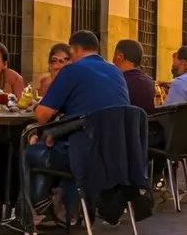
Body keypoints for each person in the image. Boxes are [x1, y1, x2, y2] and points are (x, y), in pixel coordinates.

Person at [27, 31, 131, 207]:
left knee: (30, 151)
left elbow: (42, 116)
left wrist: (37, 106)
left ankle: (32, 210)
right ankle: (67, 208)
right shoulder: (116, 71)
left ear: (74, 50)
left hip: (84, 154)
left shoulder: (72, 70)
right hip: (117, 154)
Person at [113, 39, 156, 115]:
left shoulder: (117, 82)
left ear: (120, 57)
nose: (113, 62)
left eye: (114, 58)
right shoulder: (150, 83)